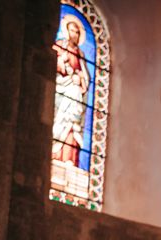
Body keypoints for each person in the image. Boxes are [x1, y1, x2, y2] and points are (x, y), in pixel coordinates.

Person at [52, 17, 90, 167]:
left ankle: (69, 159)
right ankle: (55, 156)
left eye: (76, 32)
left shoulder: (80, 54)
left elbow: (85, 76)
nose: (74, 34)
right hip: (61, 89)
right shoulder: (60, 46)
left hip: (74, 94)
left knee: (72, 125)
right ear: (67, 31)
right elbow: (54, 64)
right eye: (72, 30)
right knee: (59, 123)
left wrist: (79, 78)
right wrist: (62, 65)